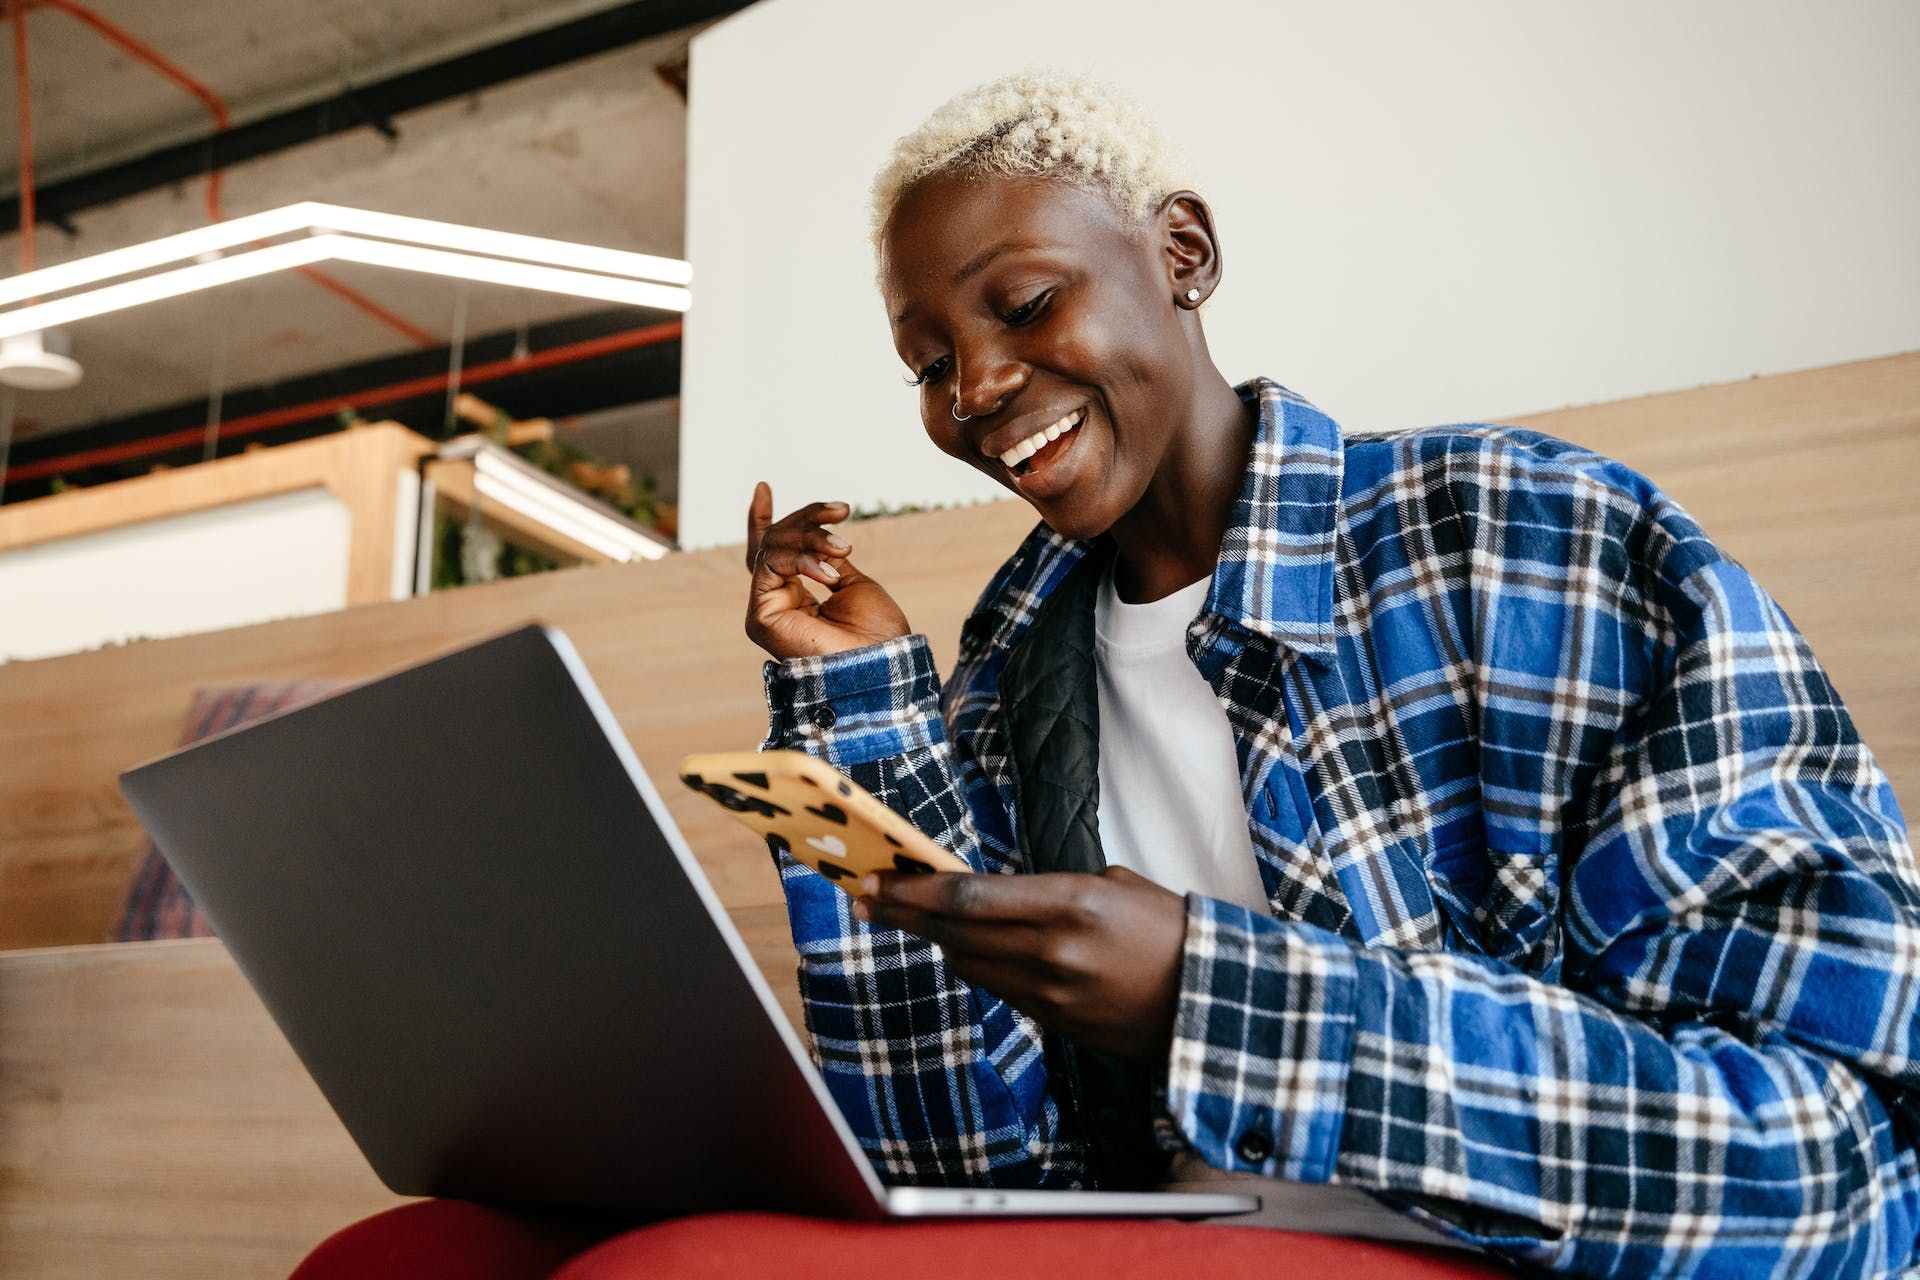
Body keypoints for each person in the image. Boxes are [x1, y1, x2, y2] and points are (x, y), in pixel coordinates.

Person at [740, 72, 1919, 1276]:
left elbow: (1832, 1170)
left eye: (1028, 303)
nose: (976, 389)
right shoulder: (1005, 669)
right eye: (930, 364)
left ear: (1182, 251)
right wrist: (865, 708)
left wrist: (1219, 999)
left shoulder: (1537, 540)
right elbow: (956, 1175)